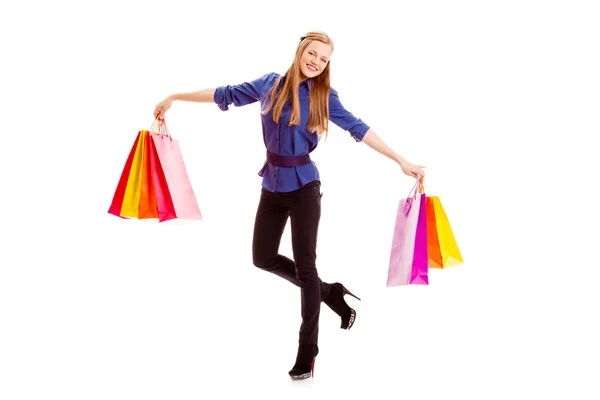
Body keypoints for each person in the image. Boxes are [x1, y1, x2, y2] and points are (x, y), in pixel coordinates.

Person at [153, 31, 425, 380]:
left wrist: (400, 159)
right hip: (272, 184)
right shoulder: (270, 84)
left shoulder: (324, 97)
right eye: (312, 53)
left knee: (306, 266)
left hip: (305, 188)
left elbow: (360, 128)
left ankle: (307, 353)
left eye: (323, 59)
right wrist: (174, 96)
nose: (316, 61)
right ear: (300, 52)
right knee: (262, 257)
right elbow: (225, 94)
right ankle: (329, 293)